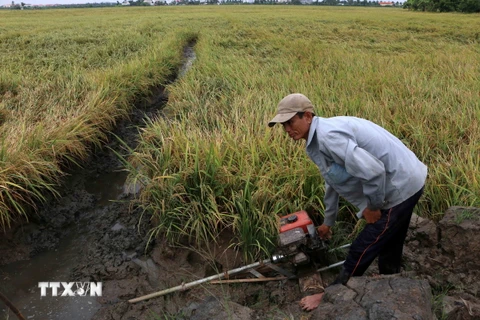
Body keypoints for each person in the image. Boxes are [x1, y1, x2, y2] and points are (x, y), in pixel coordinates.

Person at [268, 93, 427, 311]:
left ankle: (332, 294)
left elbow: (373, 172)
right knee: (389, 240)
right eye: (283, 125)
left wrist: (373, 207)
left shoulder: (328, 137)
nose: (286, 129)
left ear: (307, 116)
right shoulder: (317, 139)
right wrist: (328, 221)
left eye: (290, 122)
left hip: (398, 187)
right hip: (408, 179)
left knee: (363, 247)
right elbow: (333, 180)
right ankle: (391, 283)